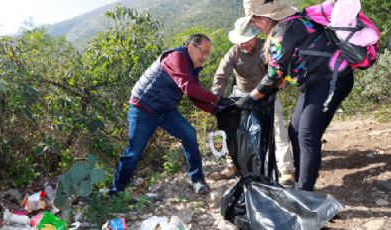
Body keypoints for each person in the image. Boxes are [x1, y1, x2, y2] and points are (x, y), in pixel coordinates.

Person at [238, 0, 354, 191]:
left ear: (263, 18)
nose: (254, 27)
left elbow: (274, 75)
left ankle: (303, 192)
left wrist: (250, 99)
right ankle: (303, 180)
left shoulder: (283, 31)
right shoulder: (294, 21)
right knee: (295, 130)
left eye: (254, 22)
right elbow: (282, 72)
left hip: (331, 80)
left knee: (308, 135)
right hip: (315, 83)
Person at [109, 34, 234, 195]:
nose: (205, 57)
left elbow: (194, 96)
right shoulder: (176, 58)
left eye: (207, 53)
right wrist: (219, 99)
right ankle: (115, 192)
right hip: (143, 108)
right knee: (133, 152)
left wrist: (216, 110)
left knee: (189, 133)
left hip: (165, 109)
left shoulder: (192, 66)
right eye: (204, 52)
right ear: (191, 46)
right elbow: (190, 88)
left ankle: (197, 179)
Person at [212, 16, 294, 185]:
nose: (244, 45)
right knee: (233, 127)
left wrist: (277, 86)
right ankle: (232, 164)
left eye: (247, 41)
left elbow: (282, 70)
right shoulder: (233, 53)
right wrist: (217, 98)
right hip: (242, 93)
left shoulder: (268, 47)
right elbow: (221, 76)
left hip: (266, 92)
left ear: (255, 36)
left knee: (277, 126)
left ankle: (286, 169)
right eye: (241, 41)